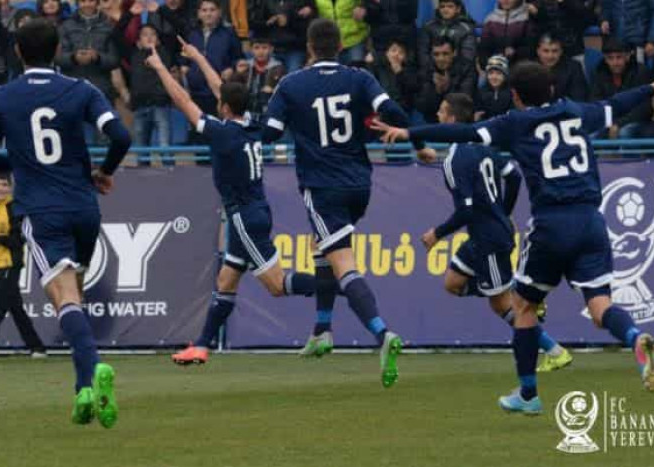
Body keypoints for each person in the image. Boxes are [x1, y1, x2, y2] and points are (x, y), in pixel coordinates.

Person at [371, 61, 654, 412]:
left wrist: (409, 132)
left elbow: (464, 132)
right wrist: (653, 87)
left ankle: (528, 394)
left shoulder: (515, 123)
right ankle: (635, 337)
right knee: (599, 306)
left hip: (551, 224)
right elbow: (617, 103)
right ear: (552, 89)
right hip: (592, 221)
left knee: (523, 306)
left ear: (515, 96)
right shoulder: (576, 112)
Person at [0, 18, 131, 427]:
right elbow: (121, 137)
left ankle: (93, 368)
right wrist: (105, 171)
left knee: (63, 298)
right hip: (84, 208)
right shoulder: (82, 89)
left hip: (42, 212)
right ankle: (82, 391)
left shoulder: (0, 98)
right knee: (73, 293)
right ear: (58, 49)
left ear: (18, 52)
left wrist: (20, 158)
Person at [264, 19, 436, 386]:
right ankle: (322, 329)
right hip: (359, 183)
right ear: (340, 45)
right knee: (322, 247)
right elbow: (394, 112)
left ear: (310, 47)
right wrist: (419, 145)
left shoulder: (291, 84)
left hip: (322, 185)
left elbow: (270, 133)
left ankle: (382, 333)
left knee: (343, 262)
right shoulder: (360, 78)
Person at [145, 39, 317, 366]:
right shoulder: (251, 123)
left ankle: (335, 285)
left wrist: (159, 69)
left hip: (243, 216)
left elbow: (182, 100)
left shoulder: (222, 133)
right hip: (255, 210)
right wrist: (198, 56)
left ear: (224, 107)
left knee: (277, 285)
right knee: (226, 281)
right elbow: (221, 89)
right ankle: (201, 345)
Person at [421, 93, 572, 373]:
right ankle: (515, 291)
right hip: (483, 235)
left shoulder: (454, 159)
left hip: (488, 240)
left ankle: (555, 350)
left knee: (501, 304)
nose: (437, 116)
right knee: (453, 283)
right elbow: (513, 177)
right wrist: (503, 212)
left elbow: (466, 210)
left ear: (451, 120)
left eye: (441, 112)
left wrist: (437, 233)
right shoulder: (483, 147)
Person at [0, 173, 47, 360]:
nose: (0, 188)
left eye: (4, 184)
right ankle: (37, 347)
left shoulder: (15, 208)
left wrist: (0, 239)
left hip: (11, 263)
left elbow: (20, 238)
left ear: (10, 187)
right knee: (16, 308)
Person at [57, 0, 120, 107]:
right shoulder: (66, 26)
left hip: (101, 91)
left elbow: (115, 60)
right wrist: (74, 57)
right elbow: (58, 58)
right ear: (77, 2)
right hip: (73, 89)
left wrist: (98, 57)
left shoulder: (109, 26)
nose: (87, 4)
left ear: (97, 2)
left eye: (91, 0)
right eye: (83, 0)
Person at [249, 0, 312, 73]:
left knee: (293, 74)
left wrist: (289, 21)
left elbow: (306, 29)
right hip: (271, 48)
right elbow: (255, 23)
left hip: (294, 49)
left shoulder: (301, 0)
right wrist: (268, 22)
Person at [185, 0, 243, 119]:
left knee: (218, 126)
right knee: (197, 128)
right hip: (195, 91)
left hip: (219, 91)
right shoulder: (191, 33)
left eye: (212, 10)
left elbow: (238, 58)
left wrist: (232, 68)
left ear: (220, 12)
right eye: (204, 10)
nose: (208, 14)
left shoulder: (229, 33)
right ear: (198, 13)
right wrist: (185, 67)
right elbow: (184, 57)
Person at [306, 0, 369, 65]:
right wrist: (309, 9)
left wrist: (363, 7)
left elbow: (369, 0)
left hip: (354, 38)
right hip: (329, 42)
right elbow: (308, 3)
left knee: (357, 69)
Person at [592, 37, 652, 138]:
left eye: (619, 57)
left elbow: (644, 109)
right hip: (607, 122)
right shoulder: (599, 73)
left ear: (627, 56)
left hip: (635, 122)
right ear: (605, 59)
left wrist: (618, 124)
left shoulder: (640, 71)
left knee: (624, 132)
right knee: (590, 135)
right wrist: (610, 124)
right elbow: (595, 104)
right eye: (610, 58)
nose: (615, 62)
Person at [129, 24, 172, 148]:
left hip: (160, 105)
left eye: (153, 34)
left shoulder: (165, 54)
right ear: (138, 41)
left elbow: (175, 31)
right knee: (140, 147)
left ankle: (167, 164)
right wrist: (129, 15)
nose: (149, 37)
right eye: (144, 34)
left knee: (165, 146)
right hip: (140, 105)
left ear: (158, 39)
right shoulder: (133, 55)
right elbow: (117, 35)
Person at [416, 36, 476, 122]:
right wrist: (437, 91)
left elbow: (464, 103)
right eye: (436, 54)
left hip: (459, 121)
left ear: (454, 53)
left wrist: (447, 88)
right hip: (433, 120)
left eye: (445, 54)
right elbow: (421, 106)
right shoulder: (426, 70)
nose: (441, 58)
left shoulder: (466, 68)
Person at [479, 0, 535, 68]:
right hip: (495, 68)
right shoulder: (490, 20)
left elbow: (530, 48)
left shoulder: (526, 18)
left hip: (521, 67)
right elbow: (484, 50)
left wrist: (515, 52)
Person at [418, 0, 476, 73]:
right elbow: (423, 54)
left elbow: (467, 58)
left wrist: (450, 73)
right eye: (442, 6)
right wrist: (436, 72)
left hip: (459, 73)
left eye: (450, 6)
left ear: (458, 9)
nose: (445, 9)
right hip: (431, 72)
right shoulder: (429, 27)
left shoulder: (466, 29)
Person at [232, 35, 286, 116]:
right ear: (251, 50)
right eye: (256, 48)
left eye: (264, 48)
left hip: (268, 110)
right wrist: (238, 74)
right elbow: (233, 90)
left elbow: (283, 93)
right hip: (246, 110)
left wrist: (273, 90)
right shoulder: (245, 66)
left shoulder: (279, 69)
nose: (260, 52)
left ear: (271, 49)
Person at [148, 0, 194, 64]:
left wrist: (166, 13)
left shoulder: (194, 12)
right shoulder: (158, 12)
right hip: (165, 62)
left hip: (188, 61)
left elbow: (186, 31)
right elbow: (151, 41)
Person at [535, 33, 588, 101]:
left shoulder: (573, 67)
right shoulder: (529, 69)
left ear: (561, 52)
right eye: (546, 51)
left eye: (555, 51)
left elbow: (579, 98)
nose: (550, 56)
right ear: (538, 52)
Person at [474, 55, 514, 119]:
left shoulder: (512, 93)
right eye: (491, 73)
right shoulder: (481, 92)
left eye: (498, 73)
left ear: (505, 76)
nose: (494, 77)